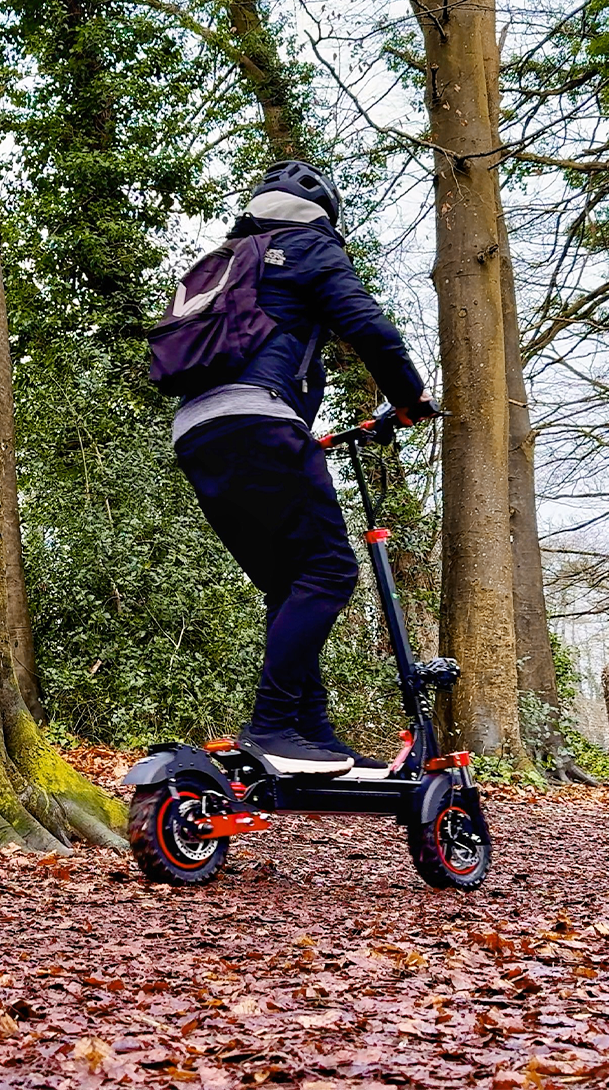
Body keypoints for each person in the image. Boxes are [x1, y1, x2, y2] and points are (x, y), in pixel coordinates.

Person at [173, 161, 434, 777]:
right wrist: (408, 398)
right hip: (260, 422)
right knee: (329, 569)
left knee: (291, 581)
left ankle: (311, 736)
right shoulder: (307, 246)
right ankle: (271, 725)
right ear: (324, 211)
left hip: (198, 432)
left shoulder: (228, 258)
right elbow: (368, 326)